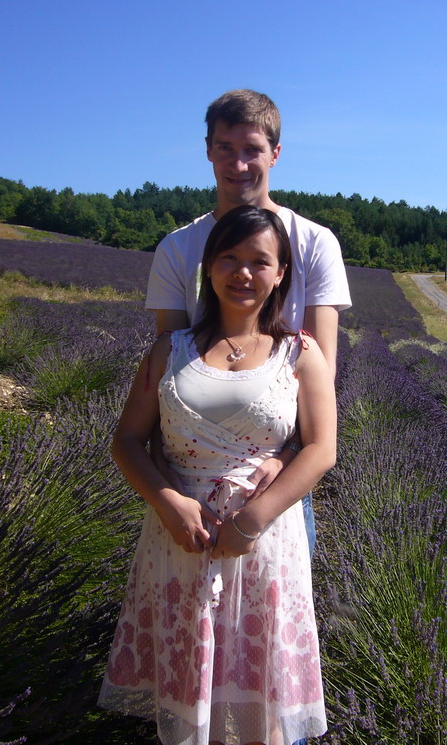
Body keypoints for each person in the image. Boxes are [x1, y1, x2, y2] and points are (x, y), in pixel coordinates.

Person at [98, 205, 335, 745]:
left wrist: (252, 520)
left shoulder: (301, 355)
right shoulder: (169, 351)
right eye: (230, 257)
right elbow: (127, 442)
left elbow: (321, 450)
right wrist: (169, 503)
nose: (243, 272)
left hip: (266, 543)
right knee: (187, 690)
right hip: (178, 541)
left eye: (259, 261)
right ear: (208, 267)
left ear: (280, 276)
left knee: (262, 699)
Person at [145, 89, 350, 556]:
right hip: (186, 476)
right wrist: (166, 490)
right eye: (225, 148)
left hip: (276, 473)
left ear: (275, 154)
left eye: (252, 150)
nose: (238, 164)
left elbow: (323, 370)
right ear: (208, 151)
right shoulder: (176, 250)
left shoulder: (316, 243)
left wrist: (290, 459)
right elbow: (164, 375)